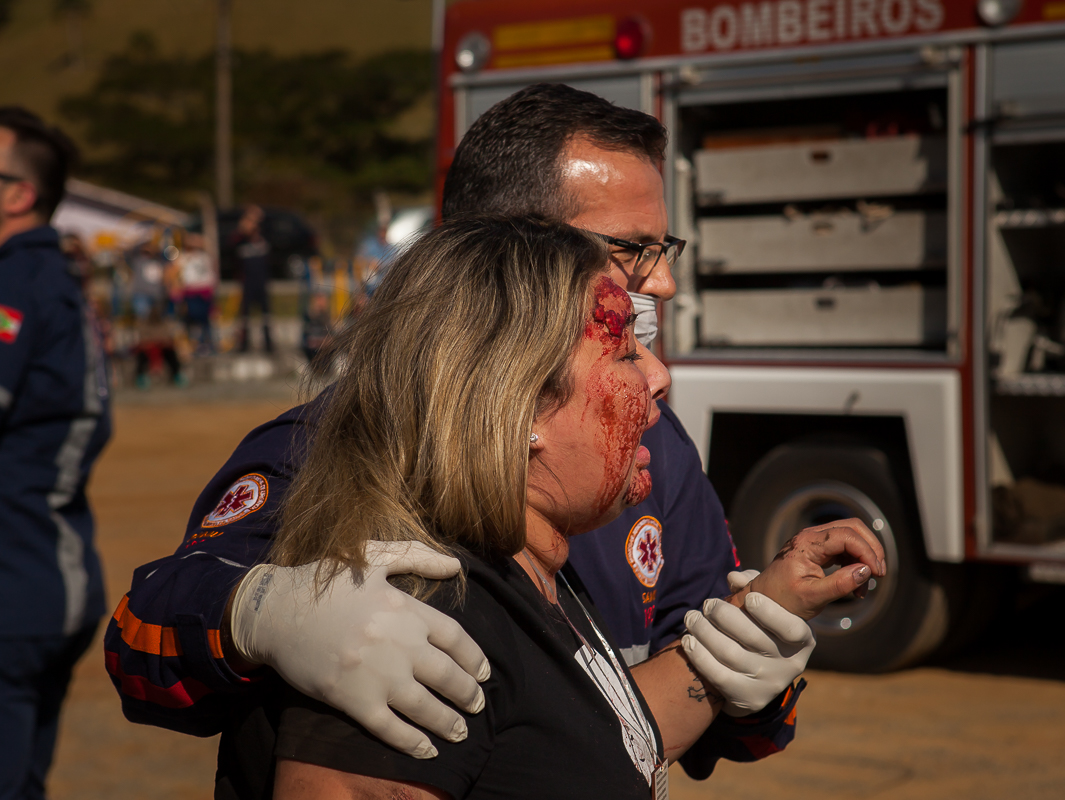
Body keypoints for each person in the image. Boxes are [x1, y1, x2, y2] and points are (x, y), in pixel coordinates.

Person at [105, 85, 885, 777]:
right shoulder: (340, 440)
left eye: (665, 248)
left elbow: (673, 719)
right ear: (508, 256)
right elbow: (139, 646)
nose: (665, 282)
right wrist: (254, 614)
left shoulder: (652, 446)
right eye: (630, 251)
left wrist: (756, 671)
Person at [0, 106, 111, 800]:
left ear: (18, 193)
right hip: (50, 573)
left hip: (14, 582)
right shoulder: (53, 281)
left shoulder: (14, 282)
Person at [229, 205, 272, 353]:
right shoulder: (240, 242)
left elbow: (271, 229)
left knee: (266, 315)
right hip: (247, 283)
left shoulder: (265, 240)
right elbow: (231, 241)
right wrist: (244, 225)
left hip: (262, 283)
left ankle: (269, 345)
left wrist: (259, 217)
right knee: (245, 317)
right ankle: (243, 345)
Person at [178, 232, 217, 355]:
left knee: (206, 320)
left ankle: (209, 345)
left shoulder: (204, 256)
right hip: (191, 293)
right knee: (192, 320)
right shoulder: (183, 257)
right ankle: (196, 345)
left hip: (205, 292)